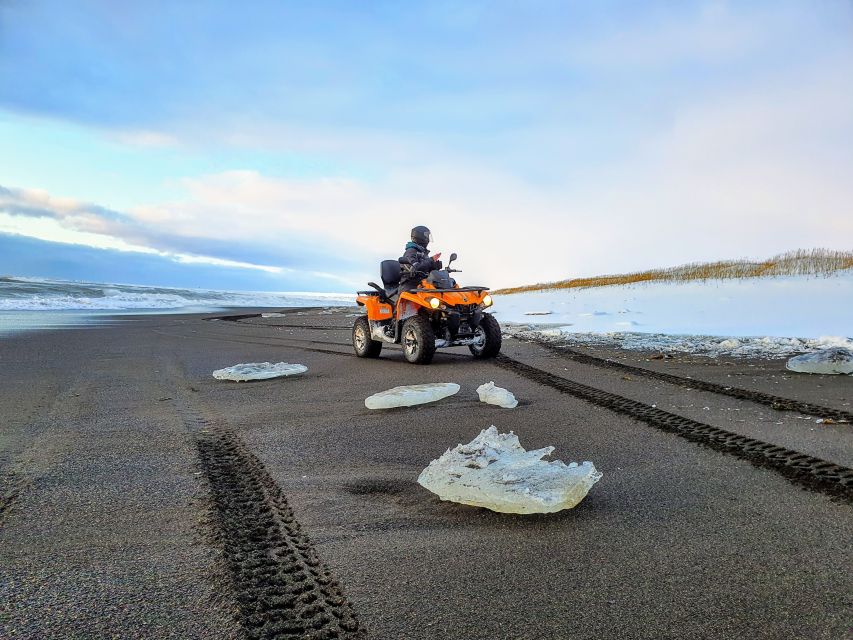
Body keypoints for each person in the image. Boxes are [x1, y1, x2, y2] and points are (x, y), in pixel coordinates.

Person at [399, 225, 442, 290]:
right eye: (426, 235)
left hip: (422, 285)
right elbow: (415, 268)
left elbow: (424, 268)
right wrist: (431, 260)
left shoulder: (423, 253)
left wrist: (435, 266)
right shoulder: (410, 251)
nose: (428, 238)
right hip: (410, 285)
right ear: (420, 236)